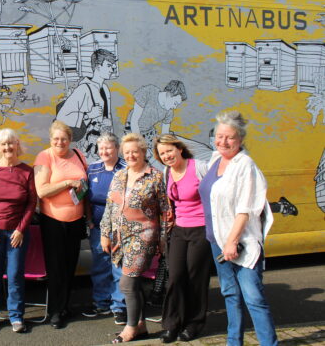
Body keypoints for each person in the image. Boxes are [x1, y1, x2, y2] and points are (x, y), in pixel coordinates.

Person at [199, 111, 277, 346]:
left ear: (240, 139)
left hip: (241, 243)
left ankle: (269, 343)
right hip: (217, 240)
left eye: (229, 137)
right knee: (230, 294)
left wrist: (232, 241)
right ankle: (234, 342)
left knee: (253, 298)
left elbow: (246, 208)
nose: (223, 142)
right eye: (219, 136)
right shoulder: (215, 159)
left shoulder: (245, 165)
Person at [100, 133, 171, 343]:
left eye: (135, 151)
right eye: (127, 152)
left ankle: (130, 328)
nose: (131, 155)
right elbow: (109, 206)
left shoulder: (155, 177)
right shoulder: (119, 176)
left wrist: (164, 237)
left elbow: (166, 210)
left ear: (143, 152)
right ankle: (141, 325)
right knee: (134, 284)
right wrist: (105, 234)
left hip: (144, 237)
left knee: (127, 284)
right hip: (120, 238)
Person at [0, 129, 37, 333]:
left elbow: (31, 203)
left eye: (11, 143)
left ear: (18, 145)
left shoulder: (27, 171)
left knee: (15, 276)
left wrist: (20, 229)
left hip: (16, 233)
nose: (8, 147)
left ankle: (16, 316)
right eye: (4, 144)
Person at [154, 134, 210, 343]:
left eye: (169, 150)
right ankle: (171, 324)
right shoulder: (167, 172)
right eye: (162, 153)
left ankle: (194, 324)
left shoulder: (200, 167)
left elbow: (217, 194)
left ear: (179, 148)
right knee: (175, 277)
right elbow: (170, 202)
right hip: (179, 229)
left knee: (196, 277)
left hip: (201, 229)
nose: (167, 156)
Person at [34, 120, 88, 329]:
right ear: (50, 140)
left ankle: (65, 306)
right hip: (54, 221)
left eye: (64, 139)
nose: (60, 142)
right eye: (56, 139)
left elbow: (85, 186)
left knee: (70, 265)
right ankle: (55, 311)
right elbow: (42, 191)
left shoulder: (79, 155)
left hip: (76, 220)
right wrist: (67, 183)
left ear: (70, 139)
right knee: (56, 268)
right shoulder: (45, 157)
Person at [81, 133, 127, 324]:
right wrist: (90, 221)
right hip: (98, 227)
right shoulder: (92, 169)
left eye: (108, 147)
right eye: (101, 148)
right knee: (100, 266)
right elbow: (86, 198)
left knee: (118, 266)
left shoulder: (126, 168)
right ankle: (101, 302)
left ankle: (119, 306)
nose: (104, 151)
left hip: (121, 228)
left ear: (117, 148)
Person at [56, 49, 118, 158]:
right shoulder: (83, 89)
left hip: (105, 144)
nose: (112, 69)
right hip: (88, 146)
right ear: (98, 67)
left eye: (112, 66)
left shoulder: (105, 88)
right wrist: (88, 115)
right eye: (108, 65)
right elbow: (61, 116)